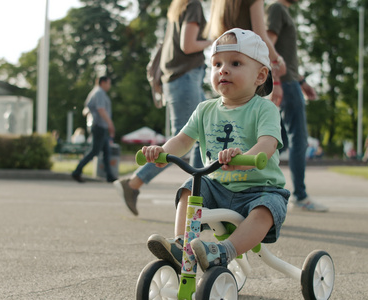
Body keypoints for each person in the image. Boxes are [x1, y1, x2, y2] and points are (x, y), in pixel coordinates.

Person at [143, 29, 289, 274]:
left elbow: (268, 143)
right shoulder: (205, 110)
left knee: (268, 209)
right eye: (217, 64)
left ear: (260, 75)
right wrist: (162, 152)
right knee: (190, 187)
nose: (223, 69)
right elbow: (183, 139)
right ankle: (182, 245)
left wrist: (245, 160)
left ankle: (225, 251)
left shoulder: (265, 110)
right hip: (218, 187)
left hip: (259, 189)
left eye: (235, 63)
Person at [114, 0, 213, 216]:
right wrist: (213, 39)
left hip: (178, 78)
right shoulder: (193, 4)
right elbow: (188, 45)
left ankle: (196, 198)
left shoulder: (178, 6)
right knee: (190, 137)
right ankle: (195, 199)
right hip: (186, 76)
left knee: (199, 133)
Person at [266, 0, 328, 212]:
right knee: (298, 139)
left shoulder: (284, 12)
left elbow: (286, 58)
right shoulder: (276, 8)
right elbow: (269, 46)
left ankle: (268, 193)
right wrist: (276, 81)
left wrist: (302, 82)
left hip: (292, 81)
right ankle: (300, 196)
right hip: (285, 83)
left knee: (277, 140)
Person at [204, 0, 287, 105]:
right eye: (217, 65)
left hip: (228, 79)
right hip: (248, 66)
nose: (223, 70)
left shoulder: (217, 2)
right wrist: (277, 61)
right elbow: (261, 35)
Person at [71, 76, 117, 183]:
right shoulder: (99, 93)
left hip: (99, 126)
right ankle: (77, 171)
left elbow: (86, 110)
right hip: (99, 126)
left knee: (106, 152)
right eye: (109, 83)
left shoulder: (94, 93)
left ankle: (109, 176)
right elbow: (101, 109)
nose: (109, 86)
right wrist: (110, 123)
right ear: (103, 83)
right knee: (94, 151)